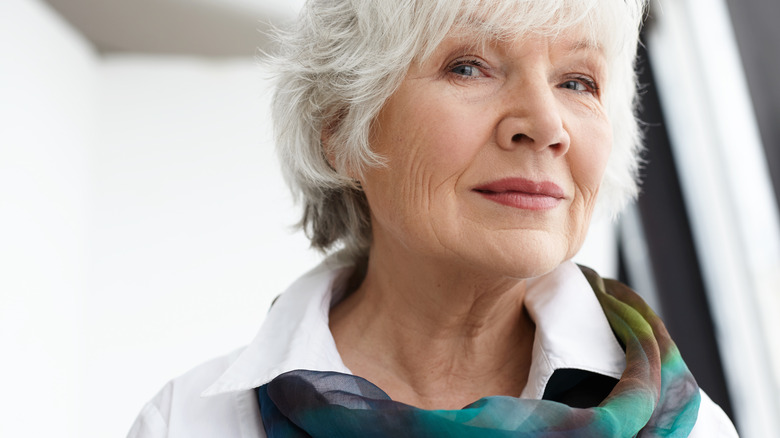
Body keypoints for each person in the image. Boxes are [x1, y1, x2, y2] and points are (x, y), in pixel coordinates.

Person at [128, 0, 739, 436]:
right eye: (469, 66)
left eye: (577, 81)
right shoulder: (188, 423)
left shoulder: (696, 429)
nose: (547, 125)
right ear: (343, 129)